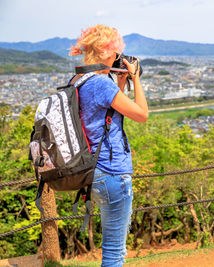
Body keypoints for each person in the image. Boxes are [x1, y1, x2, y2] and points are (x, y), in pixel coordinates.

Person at [69, 24, 148, 267]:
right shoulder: (101, 84)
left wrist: (121, 81)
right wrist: (135, 78)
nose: (117, 58)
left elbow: (105, 113)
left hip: (93, 174)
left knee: (112, 250)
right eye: (115, 53)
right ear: (105, 51)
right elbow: (142, 114)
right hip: (112, 174)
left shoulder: (78, 80)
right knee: (115, 254)